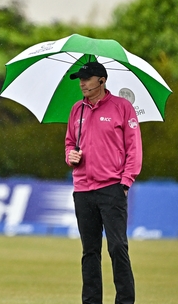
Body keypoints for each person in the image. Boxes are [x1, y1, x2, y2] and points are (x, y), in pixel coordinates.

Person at [65, 61, 141, 304]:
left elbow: (134, 148)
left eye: (87, 78)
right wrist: (70, 156)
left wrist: (126, 182)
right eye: (80, 79)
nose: (82, 83)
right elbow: (69, 143)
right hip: (83, 190)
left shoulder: (122, 107)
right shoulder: (77, 109)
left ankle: (125, 301)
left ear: (102, 80)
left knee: (118, 248)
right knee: (90, 252)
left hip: (112, 188)